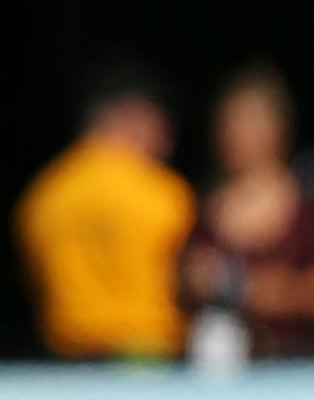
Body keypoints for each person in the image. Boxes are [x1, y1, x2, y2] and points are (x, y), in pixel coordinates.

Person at [13, 68, 194, 360]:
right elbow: (187, 277)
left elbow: (32, 280)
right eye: (157, 122)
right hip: (144, 357)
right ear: (129, 118)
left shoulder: (43, 196)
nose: (167, 138)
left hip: (64, 359)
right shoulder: (163, 193)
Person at [182, 65, 314, 360]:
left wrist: (269, 292)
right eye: (230, 123)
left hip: (291, 372)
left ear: (278, 131)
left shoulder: (308, 213)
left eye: (249, 123)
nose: (236, 135)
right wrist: (193, 278)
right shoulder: (203, 210)